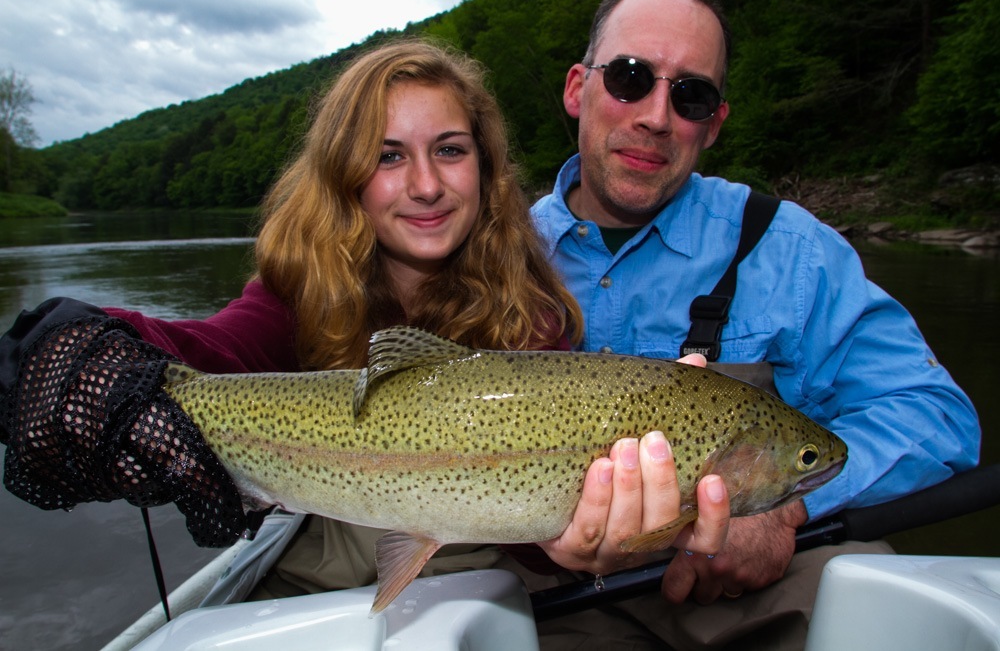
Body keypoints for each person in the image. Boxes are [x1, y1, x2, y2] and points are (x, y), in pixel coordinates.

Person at [0, 39, 730, 630]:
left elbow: (536, 528)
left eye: (450, 150)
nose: (426, 185)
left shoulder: (531, 321)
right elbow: (211, 354)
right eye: (389, 155)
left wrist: (573, 543)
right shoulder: (299, 296)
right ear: (346, 174)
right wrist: (82, 348)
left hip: (473, 583)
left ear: (485, 168)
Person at [529, 0, 981, 649]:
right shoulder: (490, 254)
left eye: (691, 96)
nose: (656, 117)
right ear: (578, 89)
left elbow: (935, 415)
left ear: (713, 124)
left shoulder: (788, 248)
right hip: (539, 586)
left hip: (738, 593)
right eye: (629, 78)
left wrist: (785, 507)